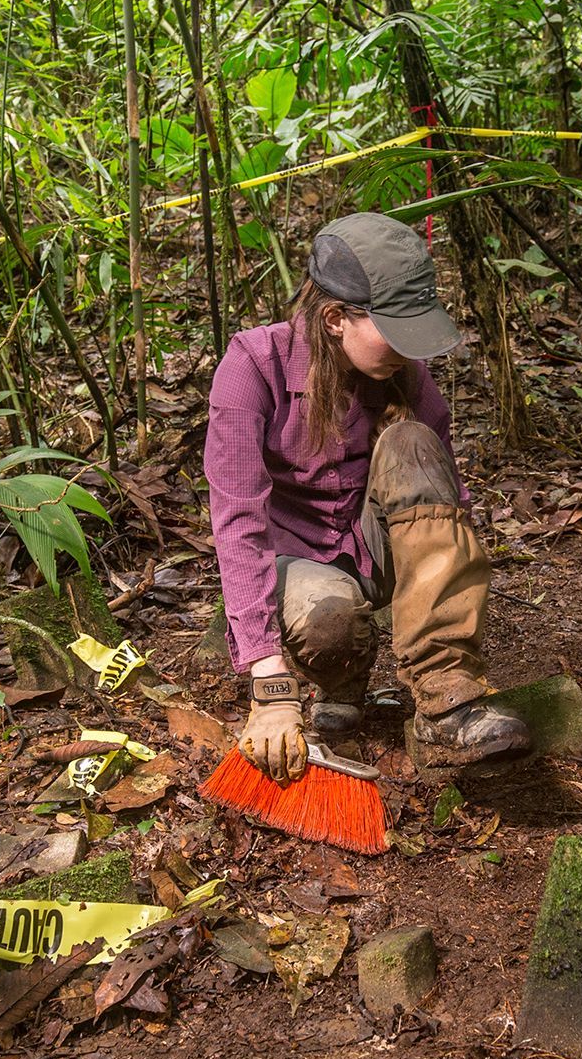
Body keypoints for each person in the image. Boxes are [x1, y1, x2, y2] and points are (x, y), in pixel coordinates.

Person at [204, 212, 530, 783]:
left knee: (412, 442)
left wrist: (452, 591)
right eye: (396, 330)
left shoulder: (407, 375)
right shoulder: (253, 366)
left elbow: (441, 502)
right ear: (335, 319)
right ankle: (341, 676)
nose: (411, 349)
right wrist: (270, 682)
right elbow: (238, 524)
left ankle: (445, 697)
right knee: (330, 620)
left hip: (376, 551)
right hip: (298, 567)